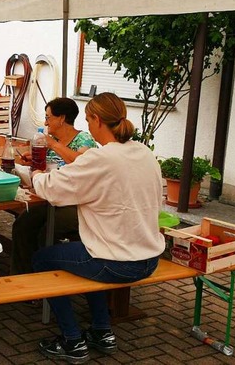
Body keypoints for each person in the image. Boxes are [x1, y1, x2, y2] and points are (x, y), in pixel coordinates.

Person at [30, 92, 165, 363]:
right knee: (84, 254)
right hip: (150, 257)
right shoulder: (143, 152)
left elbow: (54, 189)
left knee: (42, 259)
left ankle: (72, 341)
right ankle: (102, 332)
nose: (88, 126)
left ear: (97, 120)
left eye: (89, 120)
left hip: (117, 261)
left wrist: (34, 176)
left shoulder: (100, 159)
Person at [11, 98, 97, 275]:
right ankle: (24, 278)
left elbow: (81, 161)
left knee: (47, 232)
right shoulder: (52, 142)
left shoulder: (84, 139)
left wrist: (53, 144)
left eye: (48, 117)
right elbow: (46, 170)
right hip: (50, 199)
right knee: (23, 224)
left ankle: (48, 281)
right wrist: (33, 160)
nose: (45, 122)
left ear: (62, 118)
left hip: (75, 204)